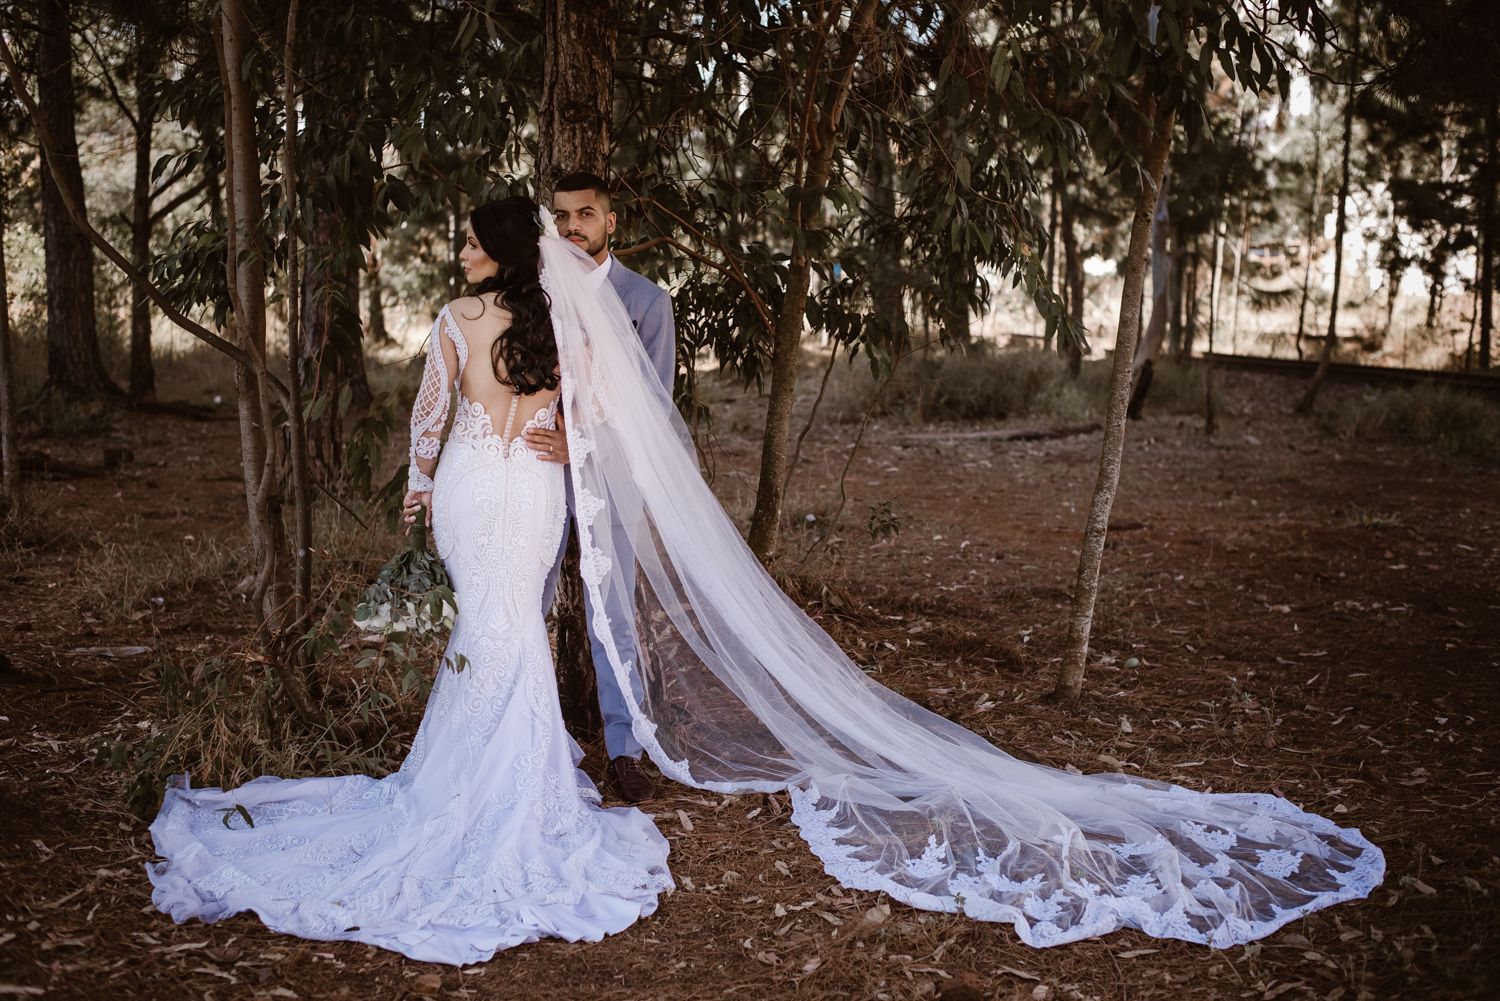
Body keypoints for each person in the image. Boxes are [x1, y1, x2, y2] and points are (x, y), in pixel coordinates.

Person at [146, 196, 1384, 967]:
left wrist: (419, 494)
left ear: (486, 249)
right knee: (512, 636)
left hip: (475, 492)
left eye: (470, 234)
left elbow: (428, 424)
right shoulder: (560, 326)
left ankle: (479, 799)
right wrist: (546, 446)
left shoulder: (453, 320)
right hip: (530, 494)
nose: (462, 248)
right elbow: (590, 434)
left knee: (494, 640)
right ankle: (510, 795)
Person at [521, 171, 674, 804]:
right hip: (533, 471)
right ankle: (525, 741)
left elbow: (654, 414)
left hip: (610, 473)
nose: (572, 226)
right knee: (526, 598)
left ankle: (625, 747)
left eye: (586, 214)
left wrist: (582, 441)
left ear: (611, 222)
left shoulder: (646, 301)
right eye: (561, 216)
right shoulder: (530, 298)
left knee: (609, 609)